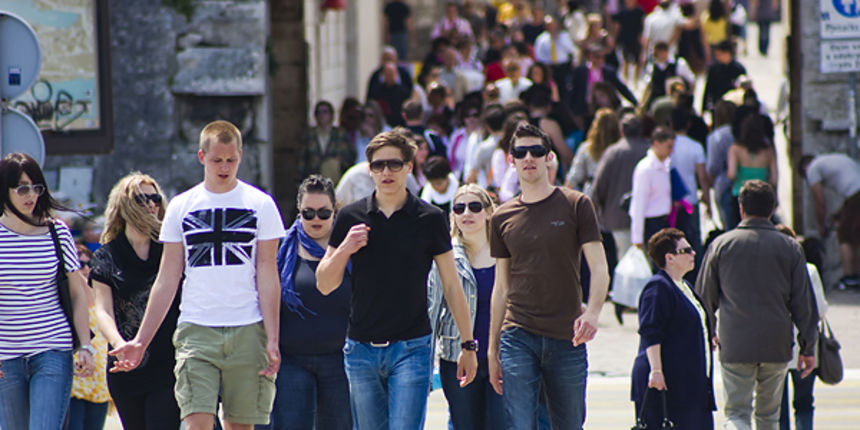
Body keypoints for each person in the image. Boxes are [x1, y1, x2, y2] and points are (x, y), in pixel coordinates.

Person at [110, 120, 285, 430]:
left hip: (247, 328)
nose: (225, 167)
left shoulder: (261, 205)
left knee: (239, 426)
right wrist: (140, 341)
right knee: (195, 424)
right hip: (196, 330)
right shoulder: (181, 206)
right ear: (202, 157)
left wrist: (272, 338)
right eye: (217, 159)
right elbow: (167, 278)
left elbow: (267, 273)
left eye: (231, 160)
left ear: (240, 156)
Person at [316, 130, 478, 429]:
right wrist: (346, 249)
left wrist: (468, 345)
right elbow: (325, 283)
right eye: (378, 166)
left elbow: (453, 286)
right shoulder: (351, 217)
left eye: (393, 164)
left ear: (409, 167)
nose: (386, 172)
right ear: (370, 170)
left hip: (412, 348)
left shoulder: (429, 218)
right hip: (360, 349)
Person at [488, 123, 609, 429]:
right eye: (520, 152)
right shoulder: (501, 216)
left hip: (567, 335)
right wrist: (492, 350)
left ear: (549, 157)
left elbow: (600, 268)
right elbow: (501, 288)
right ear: (510, 160)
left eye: (536, 151)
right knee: (520, 424)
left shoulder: (576, 204)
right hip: (517, 335)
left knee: (569, 424)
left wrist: (593, 313)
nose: (528, 157)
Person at [695, 180, 819, 430]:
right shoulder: (790, 247)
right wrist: (808, 346)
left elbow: (703, 298)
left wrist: (708, 334)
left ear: (741, 209)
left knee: (737, 413)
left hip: (735, 342)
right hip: (776, 342)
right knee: (768, 416)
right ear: (772, 209)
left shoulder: (722, 245)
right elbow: (804, 303)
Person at [0, 152, 94, 430]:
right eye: (22, 188)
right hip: (6, 355)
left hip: (52, 349)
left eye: (36, 187)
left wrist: (86, 345)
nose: (31, 195)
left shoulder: (57, 233)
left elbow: (77, 294)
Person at [89, 172, 181, 430]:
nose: (152, 204)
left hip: (167, 363)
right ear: (125, 204)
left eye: (155, 198)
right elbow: (103, 311)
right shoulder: (107, 255)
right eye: (143, 198)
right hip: (124, 366)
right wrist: (121, 345)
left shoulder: (170, 250)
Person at [262, 175, 351, 430]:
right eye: (308, 213)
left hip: (340, 360)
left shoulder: (350, 249)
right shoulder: (283, 250)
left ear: (335, 211)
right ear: (298, 212)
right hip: (292, 360)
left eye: (324, 213)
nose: (316, 220)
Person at [428, 185, 503, 430]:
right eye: (459, 209)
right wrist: (425, 368)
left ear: (489, 212)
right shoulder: (445, 257)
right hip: (456, 359)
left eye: (474, 207)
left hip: (502, 358)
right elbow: (432, 312)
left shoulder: (506, 254)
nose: (466, 213)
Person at [632, 228, 715, 428]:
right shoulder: (658, 288)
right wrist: (656, 370)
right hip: (668, 382)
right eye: (686, 250)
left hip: (690, 382)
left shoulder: (684, 285)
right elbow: (650, 332)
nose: (693, 253)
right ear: (669, 258)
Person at [775, 224, 828, 430]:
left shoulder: (769, 273)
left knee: (778, 405)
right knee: (804, 403)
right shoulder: (809, 269)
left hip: (776, 347)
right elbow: (821, 310)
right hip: (805, 346)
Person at [66, 243, 111, 430]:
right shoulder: (70, 299)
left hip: (100, 384)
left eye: (87, 263)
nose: (84, 268)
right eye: (79, 263)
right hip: (76, 382)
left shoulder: (101, 296)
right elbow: (82, 288)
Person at [800, 153, 860, 288]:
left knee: (845, 236)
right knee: (856, 235)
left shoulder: (812, 169)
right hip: (855, 193)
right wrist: (840, 212)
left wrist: (821, 225)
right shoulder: (828, 160)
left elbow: (820, 202)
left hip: (855, 193)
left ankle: (849, 277)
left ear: (804, 167)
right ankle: (856, 275)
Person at [726, 114, 777, 229]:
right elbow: (774, 179)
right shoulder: (768, 151)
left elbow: (731, 174)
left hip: (740, 195)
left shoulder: (735, 149)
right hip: (762, 196)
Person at [630, 127, 675, 249]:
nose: (671, 151)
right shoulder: (645, 168)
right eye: (668, 147)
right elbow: (639, 203)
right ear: (656, 144)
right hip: (651, 223)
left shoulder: (665, 165)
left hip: (664, 220)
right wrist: (637, 238)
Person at [565, 107, 620, 196]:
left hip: (593, 190)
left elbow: (574, 176)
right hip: (614, 191)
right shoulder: (619, 149)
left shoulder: (587, 148)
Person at [298, 101, 356, 183]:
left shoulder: (340, 134)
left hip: (334, 178)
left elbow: (349, 156)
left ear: (331, 115)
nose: (322, 115)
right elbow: (302, 159)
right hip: (313, 179)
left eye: (325, 112)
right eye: (319, 112)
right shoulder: (309, 135)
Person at [705, 100, 738, 229]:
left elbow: (713, 166)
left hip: (723, 184)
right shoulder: (739, 132)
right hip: (741, 182)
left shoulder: (715, 136)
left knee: (728, 227)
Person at [702, 40, 746, 112]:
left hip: (734, 107)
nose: (717, 57)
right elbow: (708, 89)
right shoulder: (713, 69)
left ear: (727, 53)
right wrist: (704, 109)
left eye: (719, 54)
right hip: (717, 106)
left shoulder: (738, 69)